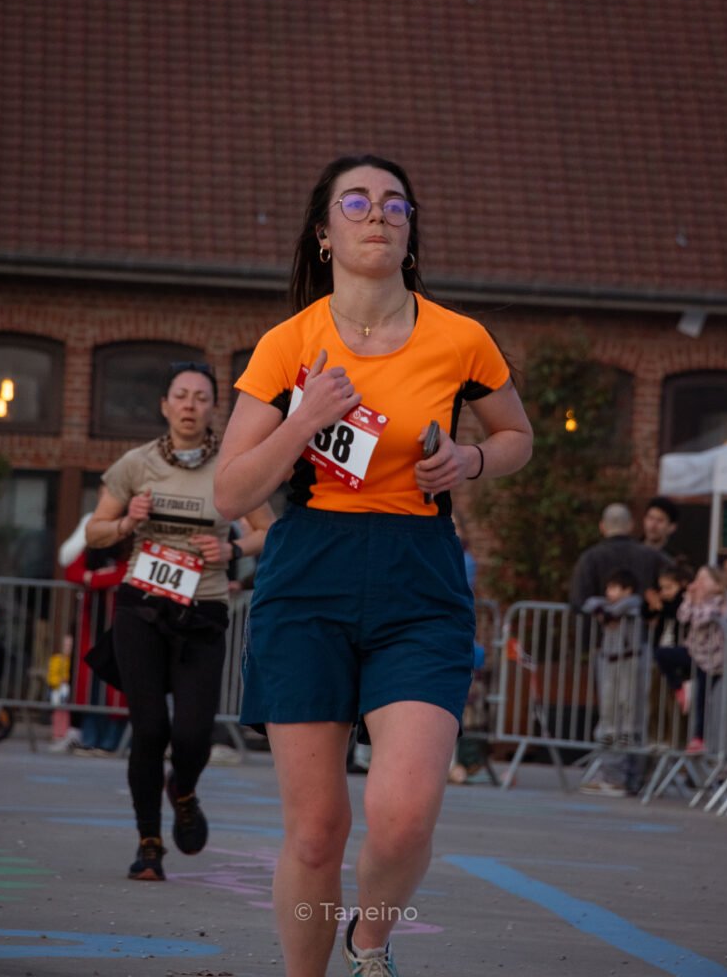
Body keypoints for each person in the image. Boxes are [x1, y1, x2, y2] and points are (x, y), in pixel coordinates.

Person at [214, 154, 533, 977]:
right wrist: (304, 419)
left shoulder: (460, 338)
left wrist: (469, 460)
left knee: (404, 817)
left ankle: (371, 945)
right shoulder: (289, 344)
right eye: (355, 202)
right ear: (324, 233)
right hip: (307, 577)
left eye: (395, 203)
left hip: (418, 578)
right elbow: (230, 489)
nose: (378, 214)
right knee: (317, 833)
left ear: (410, 230)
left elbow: (517, 437)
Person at [86, 362, 275, 881]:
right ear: (165, 406)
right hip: (141, 608)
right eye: (181, 395)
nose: (190, 405)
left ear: (214, 409)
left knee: (192, 733)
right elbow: (95, 531)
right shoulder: (136, 464)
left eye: (201, 397)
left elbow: (269, 530)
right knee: (149, 729)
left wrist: (232, 549)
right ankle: (149, 845)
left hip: (202, 613)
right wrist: (127, 522)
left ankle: (184, 790)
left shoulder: (231, 468)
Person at [58, 512, 129, 755]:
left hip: (120, 625)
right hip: (93, 626)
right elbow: (72, 571)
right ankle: (90, 738)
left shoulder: (130, 546)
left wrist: (92, 578)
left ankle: (112, 741)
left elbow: (125, 574)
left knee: (116, 686)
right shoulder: (92, 550)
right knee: (90, 684)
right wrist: (99, 578)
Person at [579, 569, 644, 796]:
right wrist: (603, 609)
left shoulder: (634, 606)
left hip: (628, 665)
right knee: (610, 720)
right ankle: (612, 773)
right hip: (610, 663)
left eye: (615, 588)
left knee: (625, 721)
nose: (609, 593)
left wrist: (609, 611)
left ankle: (621, 777)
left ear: (628, 590)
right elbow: (590, 604)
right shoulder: (607, 605)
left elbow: (626, 607)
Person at [654, 564, 727, 753]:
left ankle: (698, 738)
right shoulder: (693, 599)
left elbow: (702, 618)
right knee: (662, 654)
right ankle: (680, 686)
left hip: (713, 660)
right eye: (697, 579)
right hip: (694, 651)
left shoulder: (719, 601)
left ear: (717, 585)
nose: (698, 584)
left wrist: (697, 601)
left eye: (704, 580)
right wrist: (690, 598)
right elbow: (683, 616)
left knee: (702, 699)